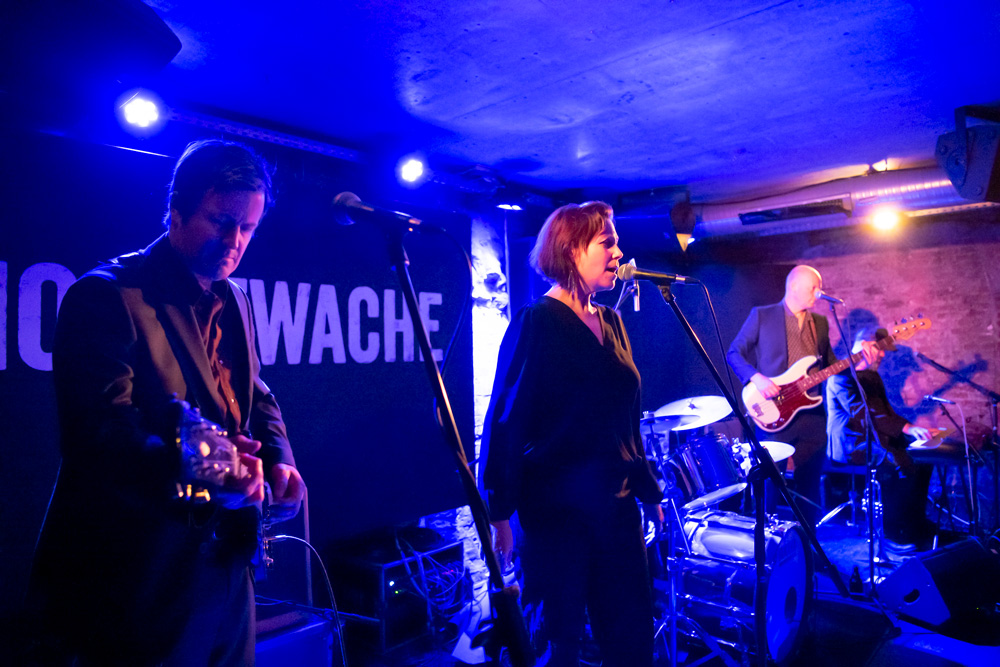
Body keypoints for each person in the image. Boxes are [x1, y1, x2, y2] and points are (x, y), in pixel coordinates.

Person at [25, 140, 306, 665]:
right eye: (222, 222)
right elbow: (100, 437)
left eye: (248, 228)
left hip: (228, 565)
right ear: (176, 211)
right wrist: (213, 472)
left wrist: (280, 458)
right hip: (141, 577)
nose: (235, 242)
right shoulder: (105, 295)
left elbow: (256, 391)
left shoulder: (236, 298)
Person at [479, 201, 663, 667]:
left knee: (631, 641)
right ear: (571, 250)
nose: (618, 252)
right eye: (607, 243)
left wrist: (648, 491)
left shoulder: (613, 322)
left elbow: (627, 418)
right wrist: (499, 513)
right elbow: (505, 419)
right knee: (554, 647)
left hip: (617, 510)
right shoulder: (537, 322)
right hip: (555, 517)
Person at [726, 265, 838, 526]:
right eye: (814, 287)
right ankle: (767, 542)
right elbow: (734, 353)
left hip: (812, 415)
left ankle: (807, 543)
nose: (819, 293)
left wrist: (859, 363)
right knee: (770, 486)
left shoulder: (819, 323)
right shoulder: (762, 315)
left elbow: (830, 364)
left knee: (809, 487)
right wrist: (756, 377)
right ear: (794, 286)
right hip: (774, 412)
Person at [827, 328, 936, 549]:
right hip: (852, 443)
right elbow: (865, 415)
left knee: (924, 458)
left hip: (874, 437)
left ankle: (914, 522)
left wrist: (915, 431)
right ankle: (891, 533)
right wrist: (907, 429)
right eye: (880, 349)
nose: (883, 355)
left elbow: (887, 414)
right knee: (899, 462)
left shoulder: (873, 377)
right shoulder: (840, 377)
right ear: (864, 346)